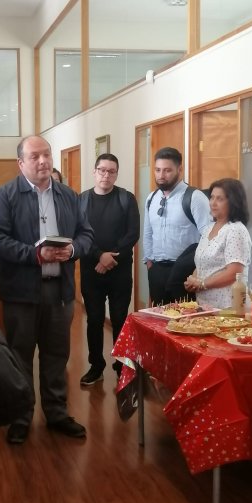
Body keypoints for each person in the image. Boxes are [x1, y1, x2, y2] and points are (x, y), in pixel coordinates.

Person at [0, 135, 93, 444]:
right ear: (21, 163)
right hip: (21, 293)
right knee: (20, 356)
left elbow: (86, 233)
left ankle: (56, 413)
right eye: (35, 156)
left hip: (60, 291)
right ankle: (21, 416)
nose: (43, 161)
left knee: (56, 355)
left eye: (46, 154)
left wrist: (72, 250)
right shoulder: (6, 196)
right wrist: (34, 254)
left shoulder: (69, 196)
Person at [79, 153, 140, 385]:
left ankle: (121, 364)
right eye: (102, 170)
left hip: (120, 272)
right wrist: (99, 256)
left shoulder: (126, 198)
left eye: (111, 171)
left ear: (116, 174)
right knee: (94, 320)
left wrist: (109, 258)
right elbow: (79, 234)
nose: (106, 175)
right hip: (90, 270)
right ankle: (96, 365)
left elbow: (132, 233)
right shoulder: (82, 200)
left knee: (119, 319)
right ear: (94, 172)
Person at [143, 146, 211, 305]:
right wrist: (149, 263)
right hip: (157, 270)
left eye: (167, 170)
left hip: (184, 272)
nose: (161, 176)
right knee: (158, 320)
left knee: (185, 322)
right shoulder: (151, 198)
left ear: (179, 169)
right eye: (157, 170)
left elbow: (209, 236)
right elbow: (147, 233)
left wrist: (197, 271)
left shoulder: (194, 197)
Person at [184, 178, 251, 308]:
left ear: (233, 202)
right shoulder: (209, 228)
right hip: (205, 305)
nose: (213, 203)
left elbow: (234, 273)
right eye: (212, 198)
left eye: (219, 199)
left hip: (229, 307)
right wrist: (193, 280)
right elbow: (203, 263)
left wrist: (203, 284)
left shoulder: (236, 229)